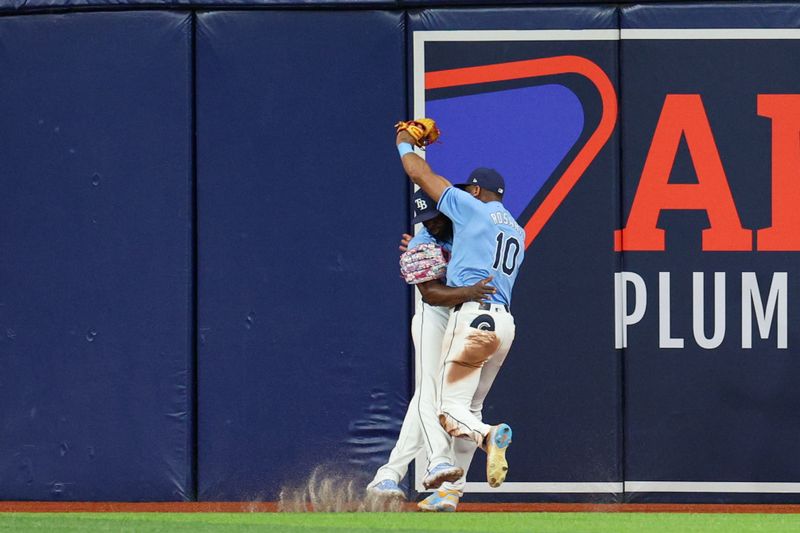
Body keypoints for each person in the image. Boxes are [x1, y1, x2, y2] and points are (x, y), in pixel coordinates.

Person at [394, 119, 526, 492]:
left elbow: (419, 173)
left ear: (478, 191)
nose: (463, 193)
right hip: (505, 325)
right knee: (469, 407)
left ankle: (490, 436)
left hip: (472, 320)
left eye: (469, 189)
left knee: (445, 406)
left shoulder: (471, 208)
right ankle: (449, 495)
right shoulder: (518, 229)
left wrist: (404, 139)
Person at [367, 189, 495, 512]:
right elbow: (433, 295)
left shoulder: (465, 225)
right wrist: (470, 290)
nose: (432, 225)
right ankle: (437, 459)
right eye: (425, 221)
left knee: (428, 391)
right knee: (430, 388)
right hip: (432, 316)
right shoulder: (421, 242)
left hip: (459, 317)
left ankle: (387, 475)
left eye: (436, 218)